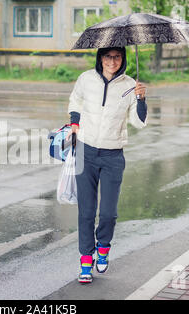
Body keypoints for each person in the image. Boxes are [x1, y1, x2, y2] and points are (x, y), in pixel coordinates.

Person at [66, 47, 148, 284]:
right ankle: (85, 260)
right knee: (86, 212)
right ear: (100, 57)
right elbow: (76, 99)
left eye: (117, 57)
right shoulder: (86, 79)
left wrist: (141, 98)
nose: (112, 61)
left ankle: (103, 246)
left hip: (113, 155)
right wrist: (74, 123)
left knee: (109, 213)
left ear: (123, 59)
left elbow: (139, 122)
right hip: (86, 150)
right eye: (108, 56)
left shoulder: (130, 85)